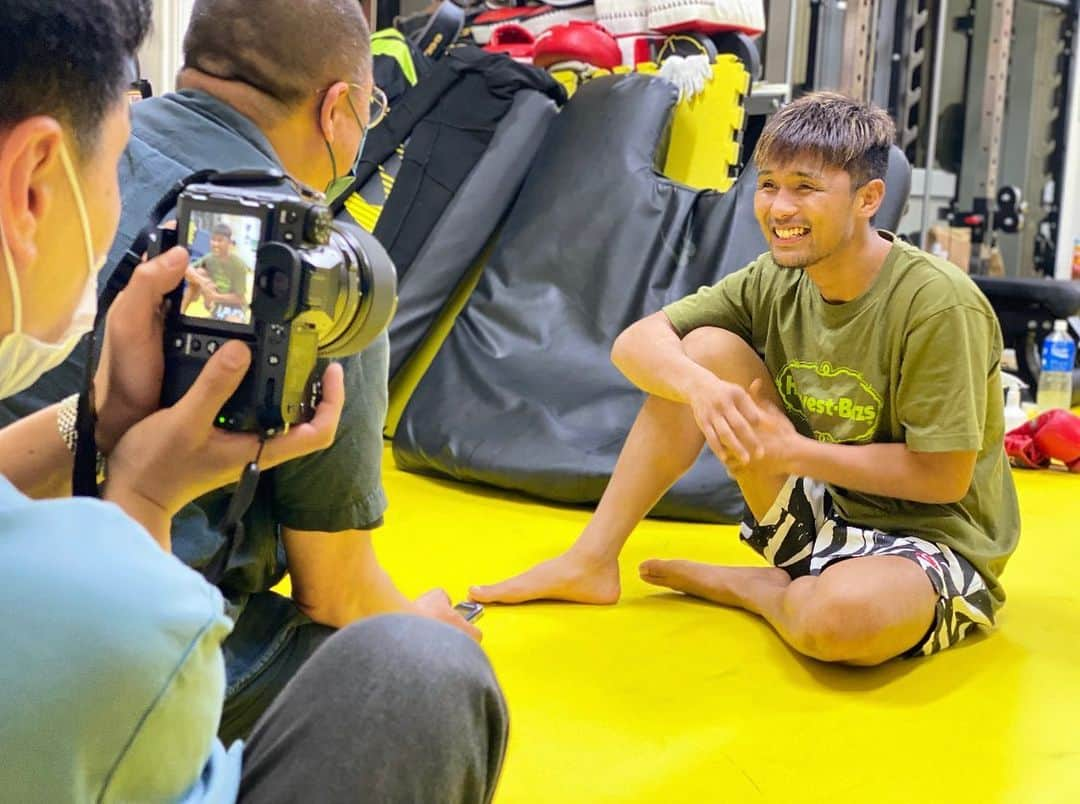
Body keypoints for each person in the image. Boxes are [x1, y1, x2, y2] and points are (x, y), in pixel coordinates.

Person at [0, 1, 507, 801]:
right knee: (424, 674)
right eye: (113, 166)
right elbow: (330, 591)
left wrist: (98, 418)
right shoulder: (320, 262)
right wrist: (143, 492)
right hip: (124, 643)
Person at [470, 92, 1020, 665]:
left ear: (868, 199)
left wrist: (796, 452)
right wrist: (700, 387)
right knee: (702, 350)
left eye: (806, 188)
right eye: (768, 185)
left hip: (933, 544)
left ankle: (762, 592)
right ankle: (591, 560)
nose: (779, 208)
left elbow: (944, 478)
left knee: (836, 625)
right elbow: (633, 344)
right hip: (821, 524)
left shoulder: (938, 305)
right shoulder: (775, 279)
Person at [183, 223, 251, 322]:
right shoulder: (209, 258)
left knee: (233, 323)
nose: (215, 244)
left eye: (220, 240)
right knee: (199, 272)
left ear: (229, 243)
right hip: (215, 305)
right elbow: (186, 269)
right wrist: (203, 282)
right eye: (213, 240)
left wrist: (215, 297)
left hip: (234, 308)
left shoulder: (239, 265)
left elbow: (240, 299)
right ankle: (180, 315)